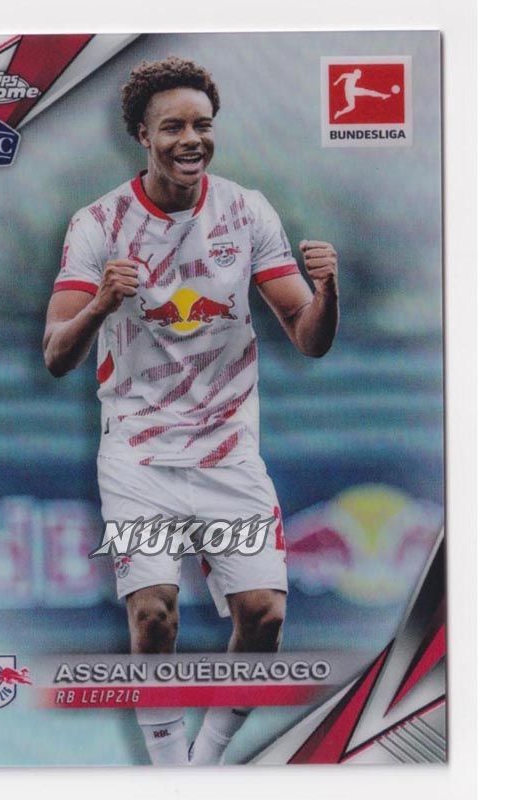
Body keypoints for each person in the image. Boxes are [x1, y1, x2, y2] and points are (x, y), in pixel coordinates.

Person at [42, 56, 338, 766]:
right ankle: (170, 773)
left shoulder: (247, 211)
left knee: (264, 617)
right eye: (172, 127)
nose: (190, 139)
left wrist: (329, 291)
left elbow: (309, 337)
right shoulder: (98, 224)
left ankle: (204, 768)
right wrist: (101, 304)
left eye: (202, 125)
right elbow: (56, 353)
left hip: (227, 450)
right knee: (153, 615)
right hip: (138, 453)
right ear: (142, 135)